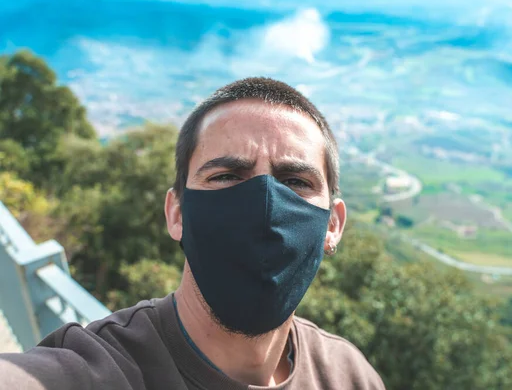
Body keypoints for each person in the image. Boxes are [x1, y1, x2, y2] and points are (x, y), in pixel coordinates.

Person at [0, 77, 385, 390]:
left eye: (295, 181)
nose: (266, 204)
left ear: (332, 224)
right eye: (227, 176)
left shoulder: (348, 375)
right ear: (177, 213)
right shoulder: (102, 369)